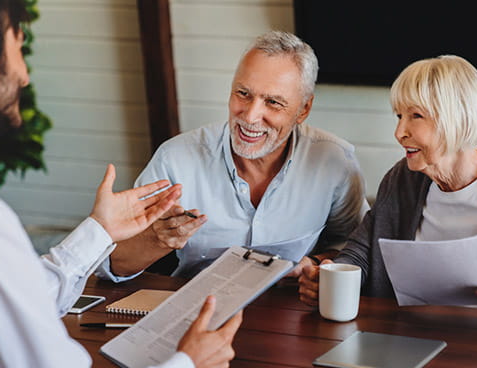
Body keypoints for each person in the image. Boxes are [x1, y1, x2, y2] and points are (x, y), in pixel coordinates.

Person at [0, 1, 241, 368]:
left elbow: (16, 304)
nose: (24, 75)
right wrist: (188, 366)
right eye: (17, 46)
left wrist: (99, 231)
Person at [99, 30, 369, 281]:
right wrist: (156, 240)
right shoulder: (175, 159)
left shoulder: (335, 162)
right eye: (243, 94)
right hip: (198, 313)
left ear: (303, 110)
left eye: (273, 102)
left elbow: (356, 249)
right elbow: (111, 265)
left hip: (293, 315)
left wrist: (314, 264)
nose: (250, 116)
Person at [298, 55, 477, 322]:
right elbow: (361, 252)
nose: (399, 132)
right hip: (405, 337)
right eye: (400, 116)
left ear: (457, 118)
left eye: (416, 116)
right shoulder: (402, 179)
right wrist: (329, 276)